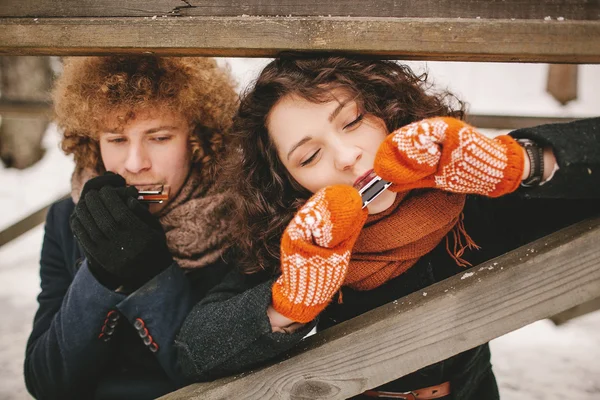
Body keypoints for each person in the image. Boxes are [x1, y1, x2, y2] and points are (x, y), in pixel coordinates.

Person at [174, 55, 600, 399]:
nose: (346, 156)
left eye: (353, 121)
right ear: (287, 184)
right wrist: (288, 303)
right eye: (308, 157)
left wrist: (521, 162)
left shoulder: (469, 190)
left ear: (387, 111)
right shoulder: (300, 247)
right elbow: (193, 352)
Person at [24, 56, 239, 399]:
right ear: (93, 142)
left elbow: (228, 379)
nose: (136, 164)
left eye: (160, 137)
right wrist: (101, 274)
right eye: (117, 140)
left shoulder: (242, 217)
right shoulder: (65, 221)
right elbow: (46, 382)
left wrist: (151, 275)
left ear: (196, 138)